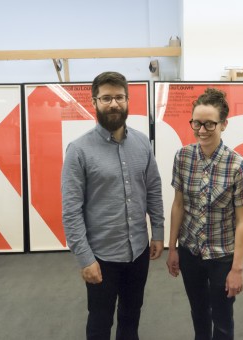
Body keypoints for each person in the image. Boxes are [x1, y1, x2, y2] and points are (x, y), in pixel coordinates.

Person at [62, 71, 164, 340]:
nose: (114, 104)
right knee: (99, 322)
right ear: (94, 102)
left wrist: (158, 232)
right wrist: (85, 258)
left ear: (128, 100)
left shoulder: (142, 143)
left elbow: (153, 189)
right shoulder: (79, 150)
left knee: (132, 317)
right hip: (101, 257)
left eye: (119, 97)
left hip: (138, 251)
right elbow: (71, 210)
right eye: (106, 98)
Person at [166, 88, 243, 340]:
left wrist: (237, 268)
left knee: (223, 319)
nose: (201, 130)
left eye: (209, 124)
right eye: (196, 123)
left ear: (223, 124)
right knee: (199, 312)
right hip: (190, 252)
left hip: (221, 256)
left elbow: (242, 220)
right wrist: (172, 248)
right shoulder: (182, 157)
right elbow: (178, 205)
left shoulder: (238, 166)